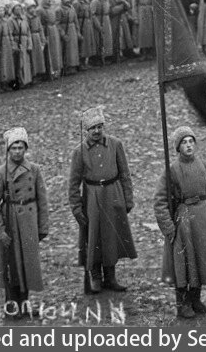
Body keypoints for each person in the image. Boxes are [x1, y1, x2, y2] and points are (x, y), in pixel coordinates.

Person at [154, 126, 206, 320]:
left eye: (191, 141)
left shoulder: (205, 166)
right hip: (183, 222)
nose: (188, 145)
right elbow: (160, 201)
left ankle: (196, 300)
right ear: (178, 147)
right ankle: (182, 304)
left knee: (202, 260)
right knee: (183, 263)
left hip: (204, 219)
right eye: (184, 142)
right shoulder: (172, 170)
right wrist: (169, 228)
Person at [68, 105, 137, 295]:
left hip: (113, 195)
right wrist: (76, 208)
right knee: (94, 237)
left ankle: (111, 276)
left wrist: (127, 199)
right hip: (91, 198)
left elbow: (125, 174)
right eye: (92, 128)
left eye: (100, 126)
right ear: (86, 131)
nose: (97, 131)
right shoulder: (79, 152)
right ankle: (96, 277)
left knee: (112, 236)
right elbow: (73, 184)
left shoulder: (115, 144)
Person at [0, 127, 50, 318]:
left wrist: (42, 226)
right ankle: (12, 307)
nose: (17, 151)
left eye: (20, 147)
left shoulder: (35, 170)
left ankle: (24, 305)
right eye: (13, 148)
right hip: (11, 225)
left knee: (27, 265)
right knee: (11, 266)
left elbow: (42, 199)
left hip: (29, 224)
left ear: (26, 148)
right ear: (8, 150)